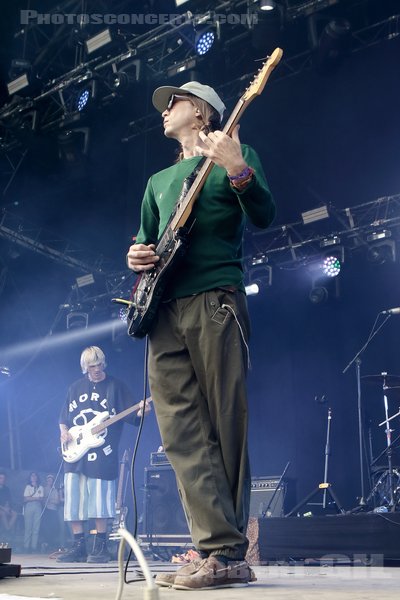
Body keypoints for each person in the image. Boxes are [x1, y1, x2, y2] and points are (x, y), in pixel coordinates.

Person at [126, 81, 275, 590]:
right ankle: (215, 547)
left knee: (224, 421)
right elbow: (144, 245)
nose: (166, 109)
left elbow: (264, 213)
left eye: (176, 101)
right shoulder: (158, 181)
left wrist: (237, 169)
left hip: (216, 299)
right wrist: (137, 256)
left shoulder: (235, 151)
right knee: (179, 433)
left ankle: (228, 552)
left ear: (202, 111)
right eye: (166, 104)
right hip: (164, 309)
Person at [57, 345, 149, 563]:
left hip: (102, 456)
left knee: (99, 502)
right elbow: (63, 418)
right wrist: (63, 433)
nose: (96, 369)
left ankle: (100, 547)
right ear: (85, 367)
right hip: (74, 454)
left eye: (99, 364)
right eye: (91, 366)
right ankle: (78, 546)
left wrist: (141, 410)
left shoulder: (115, 387)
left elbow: (133, 414)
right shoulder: (75, 387)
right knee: (73, 502)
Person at [23, 471, 44, 553]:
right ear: (30, 478)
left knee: (36, 527)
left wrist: (32, 498)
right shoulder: (28, 487)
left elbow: (41, 498)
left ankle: (33, 547)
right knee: (28, 527)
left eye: (35, 476)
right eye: (32, 476)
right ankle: (26, 547)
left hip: (38, 507)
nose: (34, 477)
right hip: (29, 506)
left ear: (37, 477)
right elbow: (25, 498)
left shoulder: (41, 487)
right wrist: (36, 498)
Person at [39, 474, 60, 552]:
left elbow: (57, 501)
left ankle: (50, 544)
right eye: (48, 480)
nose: (49, 481)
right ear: (46, 481)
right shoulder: (43, 489)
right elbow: (42, 499)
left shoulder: (55, 490)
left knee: (53, 528)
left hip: (53, 511)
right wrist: (46, 500)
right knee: (45, 528)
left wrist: (50, 500)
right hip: (46, 511)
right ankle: (45, 544)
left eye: (51, 480)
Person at [0, 471, 18, 539]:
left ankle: (7, 529)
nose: (2, 480)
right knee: (3, 513)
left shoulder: (6, 489)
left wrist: (7, 507)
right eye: (1, 478)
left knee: (15, 514)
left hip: (4, 508)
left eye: (4, 478)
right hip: (1, 509)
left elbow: (8, 500)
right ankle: (8, 530)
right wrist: (4, 509)